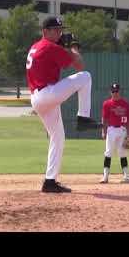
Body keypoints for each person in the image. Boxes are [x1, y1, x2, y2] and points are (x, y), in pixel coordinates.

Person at [26, 16, 102, 193]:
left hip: (39, 98)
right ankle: (83, 117)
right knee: (86, 77)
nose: (60, 32)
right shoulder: (50, 46)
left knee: (58, 137)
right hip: (47, 94)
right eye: (55, 30)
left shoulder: (36, 46)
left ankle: (50, 181)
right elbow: (79, 65)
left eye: (60, 29)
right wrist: (73, 46)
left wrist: (63, 47)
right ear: (45, 32)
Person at [99, 83, 129, 184]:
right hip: (111, 130)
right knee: (108, 152)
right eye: (113, 91)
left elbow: (128, 121)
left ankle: (126, 176)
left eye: (116, 91)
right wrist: (103, 131)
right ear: (110, 92)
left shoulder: (126, 104)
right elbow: (104, 119)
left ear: (120, 91)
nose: (115, 93)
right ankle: (105, 177)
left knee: (123, 153)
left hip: (122, 130)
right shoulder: (107, 104)